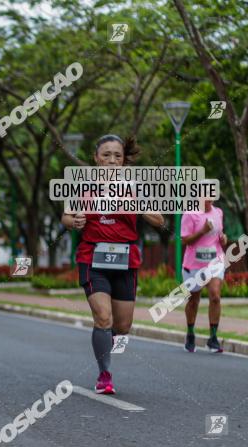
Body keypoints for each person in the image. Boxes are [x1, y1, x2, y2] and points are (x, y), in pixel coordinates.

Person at [60, 134, 166, 394]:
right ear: (96, 158)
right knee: (103, 318)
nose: (112, 160)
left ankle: (109, 340)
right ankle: (104, 374)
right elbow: (66, 216)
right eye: (106, 155)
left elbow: (160, 220)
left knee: (122, 325)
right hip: (92, 257)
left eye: (117, 155)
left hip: (125, 259)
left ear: (123, 160)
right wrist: (75, 222)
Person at [181, 200, 227, 353]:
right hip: (194, 264)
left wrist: (223, 239)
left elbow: (220, 235)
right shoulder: (190, 213)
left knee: (215, 296)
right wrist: (202, 231)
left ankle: (213, 338)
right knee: (194, 300)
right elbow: (185, 240)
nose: (209, 200)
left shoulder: (218, 212)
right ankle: (190, 333)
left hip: (214, 261)